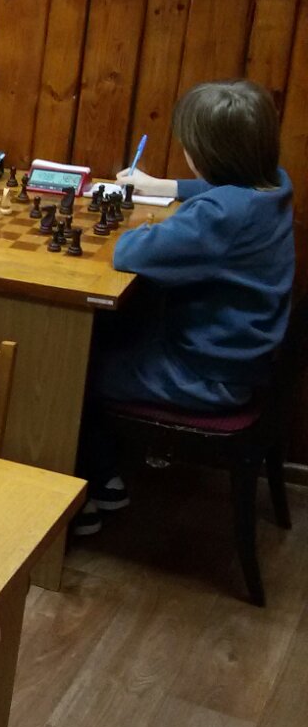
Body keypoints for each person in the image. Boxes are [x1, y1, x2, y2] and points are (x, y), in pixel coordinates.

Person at [72, 79, 296, 535]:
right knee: (110, 334)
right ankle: (105, 474)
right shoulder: (273, 184)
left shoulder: (221, 215)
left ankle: (91, 490)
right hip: (239, 360)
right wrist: (166, 185)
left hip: (204, 377)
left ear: (204, 154)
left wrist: (144, 227)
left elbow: (130, 253)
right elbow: (222, 191)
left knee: (67, 371)